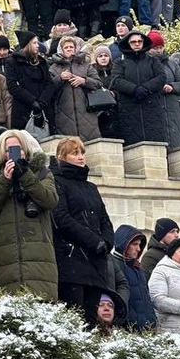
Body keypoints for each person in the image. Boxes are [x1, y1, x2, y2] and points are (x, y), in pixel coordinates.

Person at [0, 130, 60, 300]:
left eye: (18, 149)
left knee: (41, 304)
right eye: (8, 150)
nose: (14, 153)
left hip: (39, 257)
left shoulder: (42, 173)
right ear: (1, 154)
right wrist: (5, 179)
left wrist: (26, 175)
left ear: (26, 151)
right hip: (6, 256)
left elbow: (50, 200)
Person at [50, 138, 114, 324]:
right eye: (75, 153)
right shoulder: (57, 181)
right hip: (72, 260)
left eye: (82, 153)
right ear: (62, 156)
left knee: (93, 320)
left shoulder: (91, 187)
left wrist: (107, 241)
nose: (80, 157)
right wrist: (94, 241)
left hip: (96, 261)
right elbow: (61, 218)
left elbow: (104, 219)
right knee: (75, 317)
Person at [111, 30, 169, 145]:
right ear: (128, 44)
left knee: (155, 144)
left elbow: (161, 77)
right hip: (129, 109)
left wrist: (145, 88)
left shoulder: (153, 61)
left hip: (152, 107)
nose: (136, 44)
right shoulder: (120, 63)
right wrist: (134, 89)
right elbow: (116, 81)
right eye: (133, 42)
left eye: (139, 41)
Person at [49, 36, 101, 141]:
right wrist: (60, 78)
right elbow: (49, 88)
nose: (69, 49)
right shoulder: (53, 68)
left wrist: (84, 81)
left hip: (87, 113)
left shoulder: (86, 66)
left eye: (71, 47)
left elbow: (98, 83)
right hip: (63, 114)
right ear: (62, 50)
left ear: (75, 49)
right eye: (66, 47)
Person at [7, 30, 57, 135]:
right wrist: (32, 101)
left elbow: (49, 83)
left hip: (44, 109)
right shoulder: (13, 62)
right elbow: (12, 86)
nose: (38, 46)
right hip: (23, 110)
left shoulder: (42, 62)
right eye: (34, 43)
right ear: (27, 45)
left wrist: (42, 102)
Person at [147, 30, 180, 148]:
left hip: (171, 105)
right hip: (154, 104)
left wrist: (172, 86)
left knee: (175, 134)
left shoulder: (171, 64)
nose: (159, 51)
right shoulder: (145, 63)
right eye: (155, 48)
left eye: (161, 47)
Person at [112, 224, 157, 331]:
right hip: (127, 328)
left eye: (140, 245)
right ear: (124, 244)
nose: (138, 249)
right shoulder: (113, 265)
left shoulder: (137, 267)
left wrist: (152, 319)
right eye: (135, 244)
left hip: (146, 327)